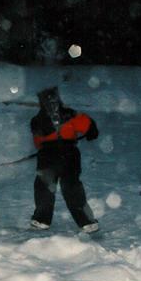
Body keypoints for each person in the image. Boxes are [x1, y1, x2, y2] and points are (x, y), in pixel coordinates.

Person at [30, 87, 100, 233]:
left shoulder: (37, 120)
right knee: (72, 186)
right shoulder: (71, 114)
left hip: (47, 156)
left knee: (44, 187)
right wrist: (89, 132)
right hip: (69, 154)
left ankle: (41, 220)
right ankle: (86, 222)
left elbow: (38, 143)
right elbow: (90, 129)